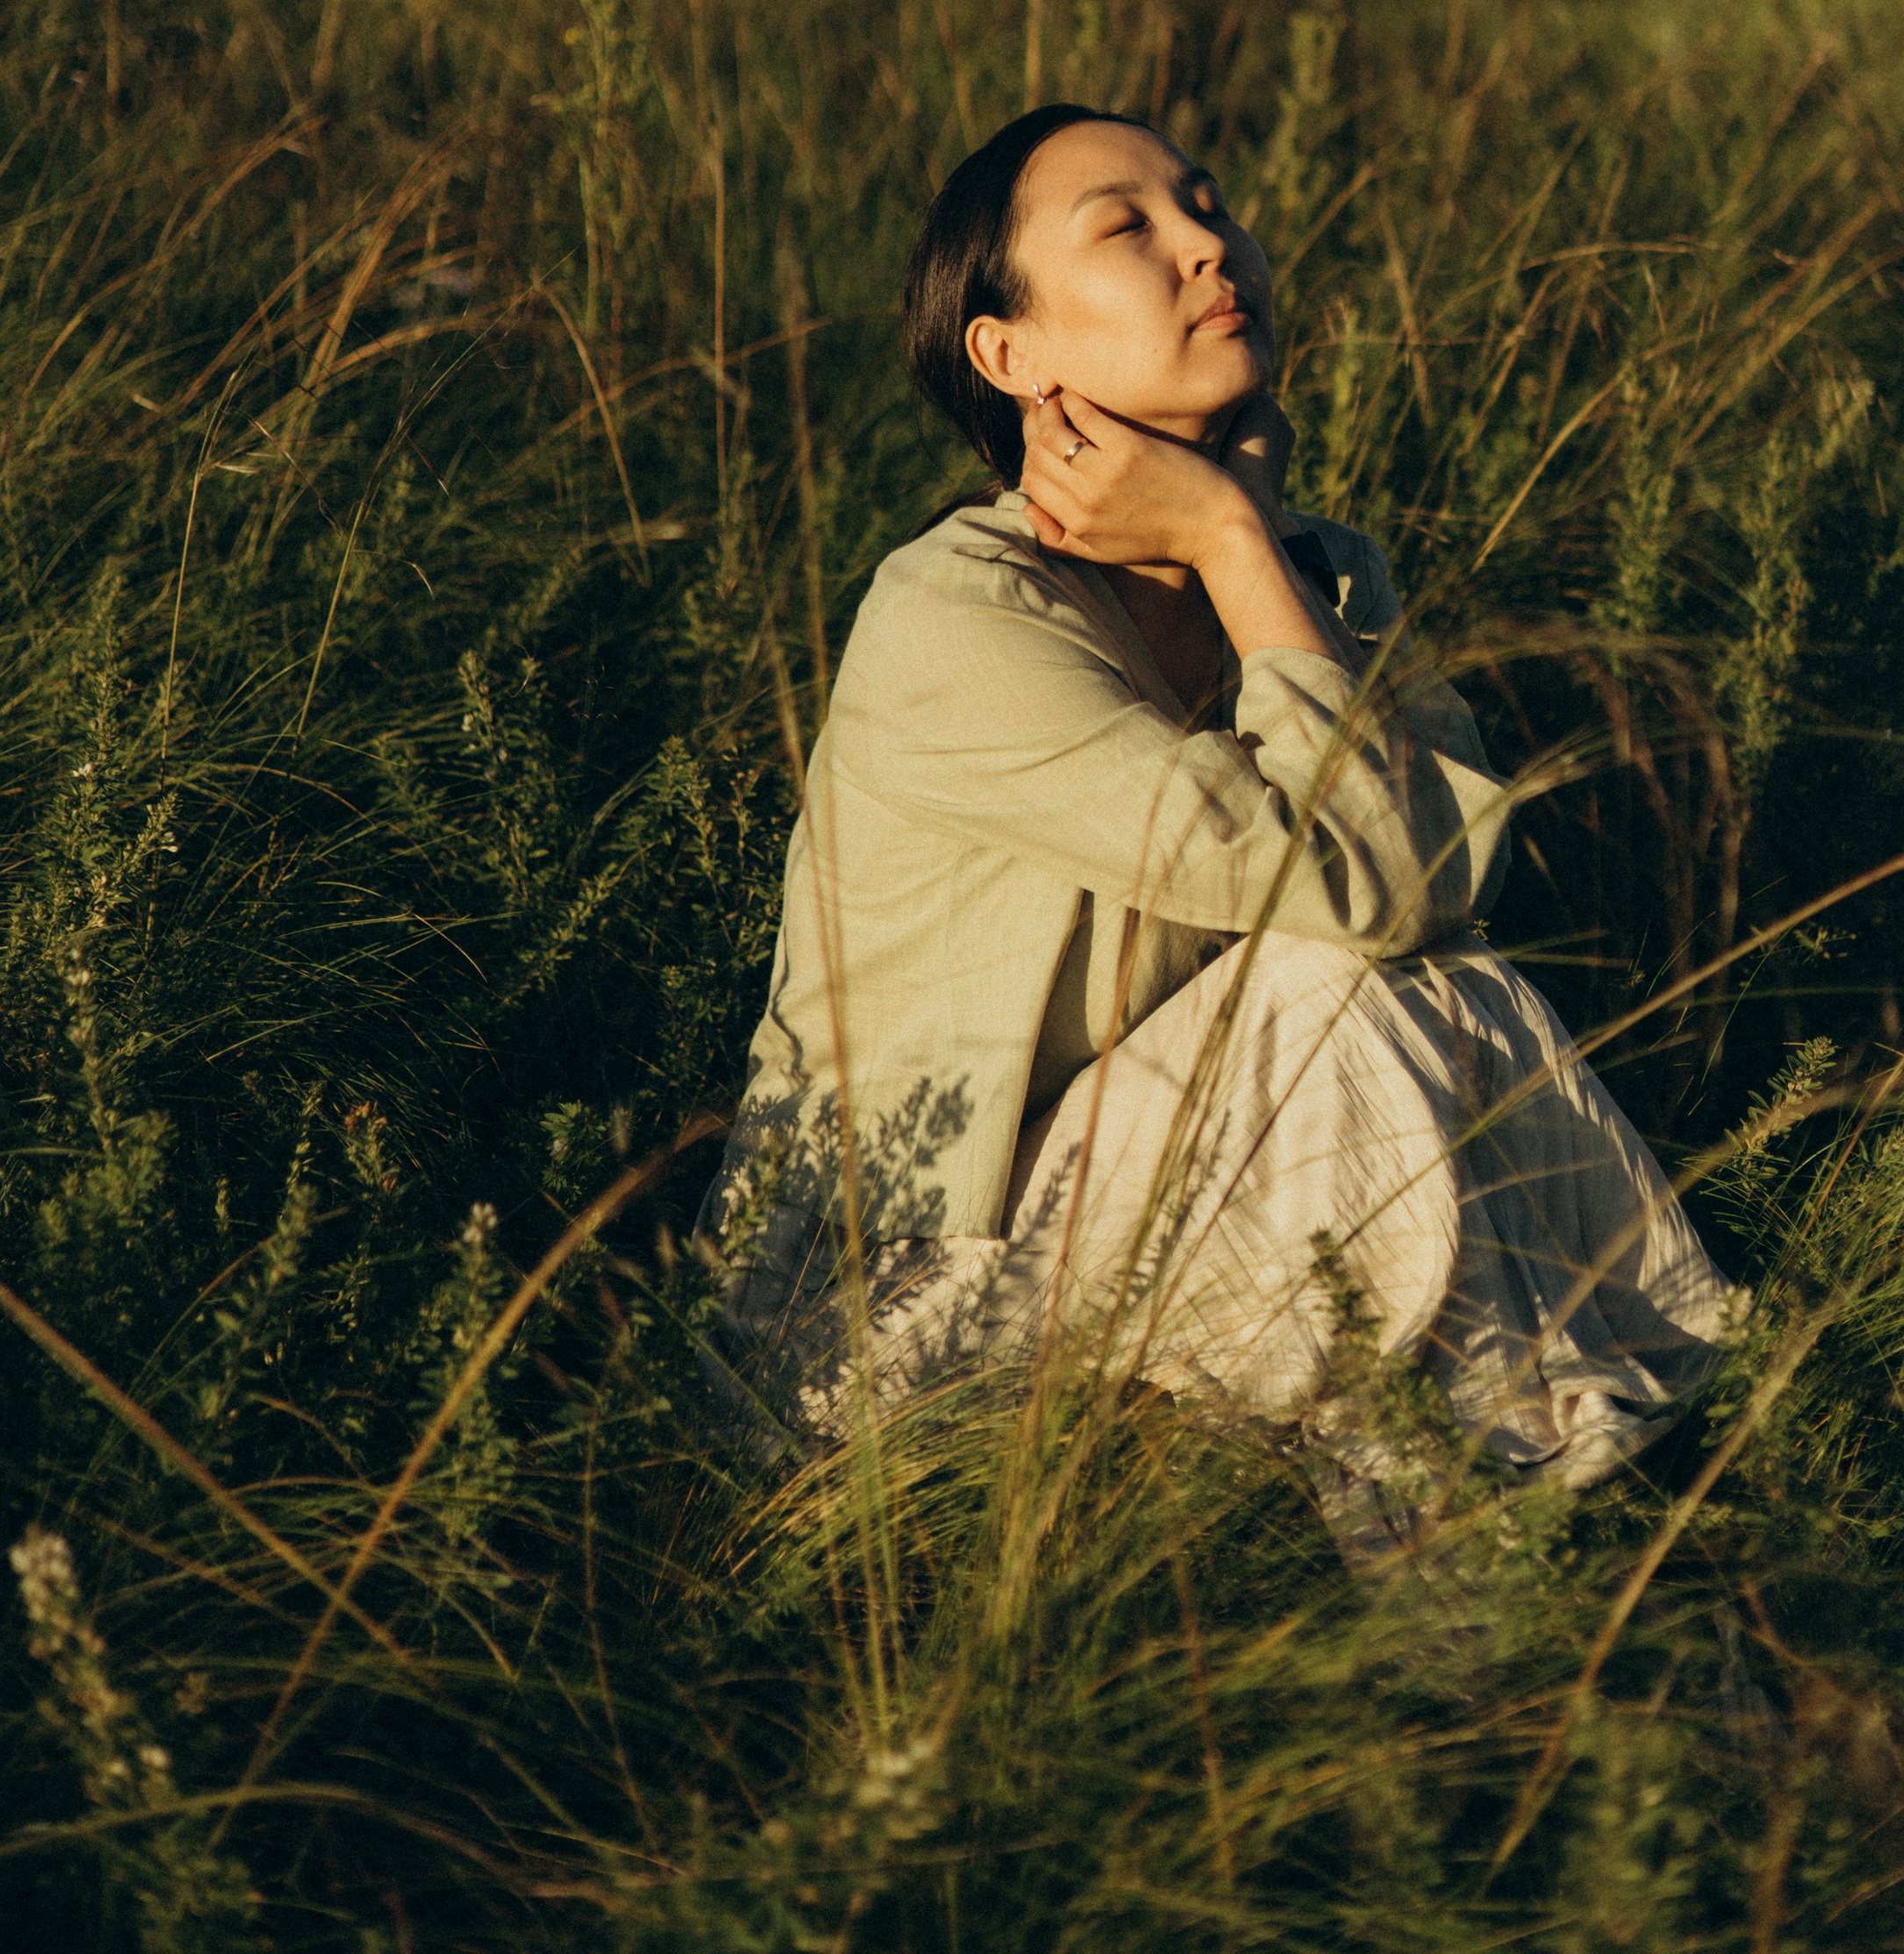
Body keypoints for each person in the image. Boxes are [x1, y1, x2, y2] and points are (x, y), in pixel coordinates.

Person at [701, 103, 1730, 1524]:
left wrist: (1247, 557)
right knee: (1338, 993)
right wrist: (1229, 533)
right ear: (1010, 356)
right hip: (880, 1309)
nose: (1207, 241)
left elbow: (1450, 874)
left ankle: (1574, 1506)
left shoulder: (1329, 572)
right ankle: (1545, 1547)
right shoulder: (954, 615)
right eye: (1126, 228)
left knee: (1427, 994)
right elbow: (1376, 889)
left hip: (1162, 1189)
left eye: (1207, 202)